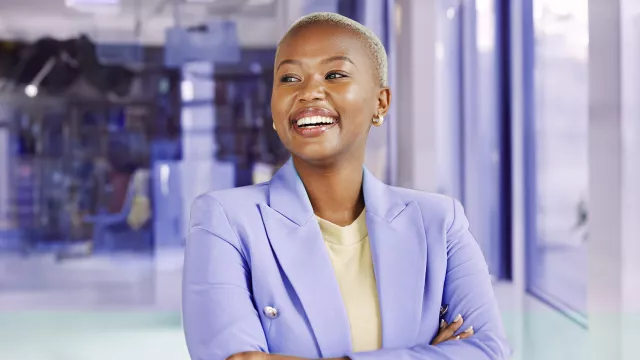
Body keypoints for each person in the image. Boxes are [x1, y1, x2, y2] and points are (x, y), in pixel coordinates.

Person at [182, 12, 510, 360]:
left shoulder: (440, 222)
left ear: (380, 103)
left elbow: (487, 352)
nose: (308, 92)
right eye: (289, 78)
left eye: (334, 74)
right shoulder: (224, 220)